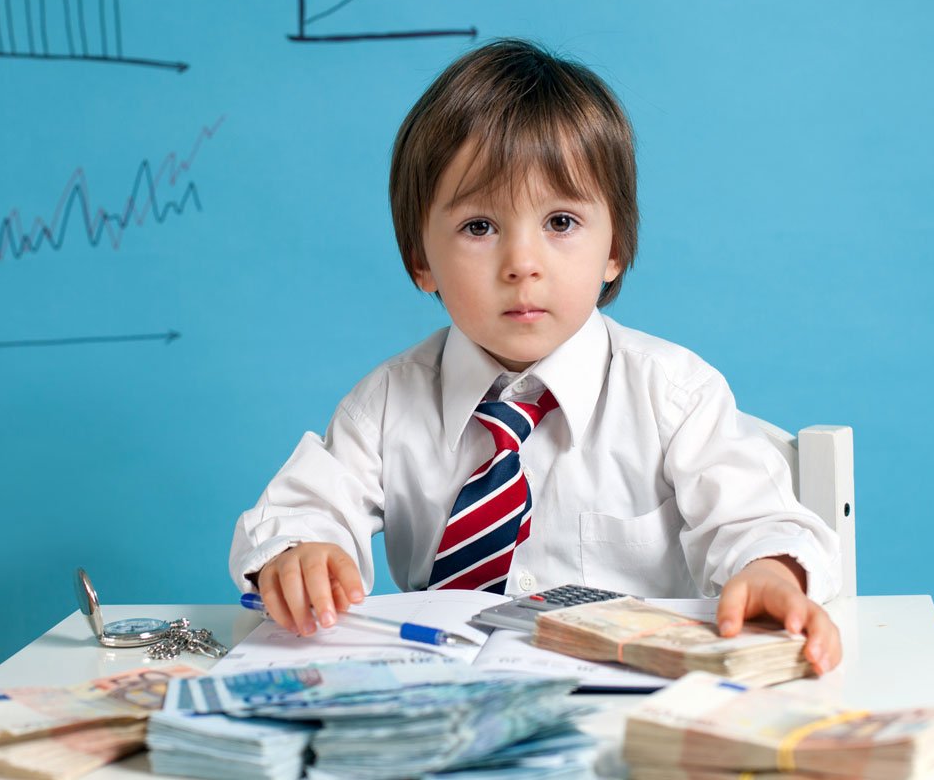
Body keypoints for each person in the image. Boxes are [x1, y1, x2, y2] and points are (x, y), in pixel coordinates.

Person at [229, 38, 844, 673]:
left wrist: (769, 570)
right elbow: (304, 508)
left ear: (615, 250)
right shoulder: (387, 404)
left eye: (560, 223)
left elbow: (753, 519)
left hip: (629, 699)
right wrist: (301, 551)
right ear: (421, 260)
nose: (522, 265)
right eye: (479, 227)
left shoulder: (673, 395)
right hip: (445, 704)